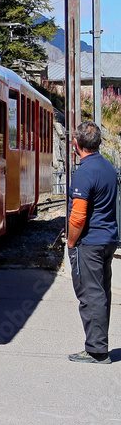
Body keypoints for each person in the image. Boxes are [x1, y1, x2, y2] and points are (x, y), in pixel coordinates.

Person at [66, 121, 119, 364]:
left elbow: (78, 216)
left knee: (91, 295)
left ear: (76, 144)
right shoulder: (108, 167)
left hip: (90, 243)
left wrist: (70, 243)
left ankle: (97, 350)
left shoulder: (84, 172)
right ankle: (99, 345)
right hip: (107, 240)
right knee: (102, 293)